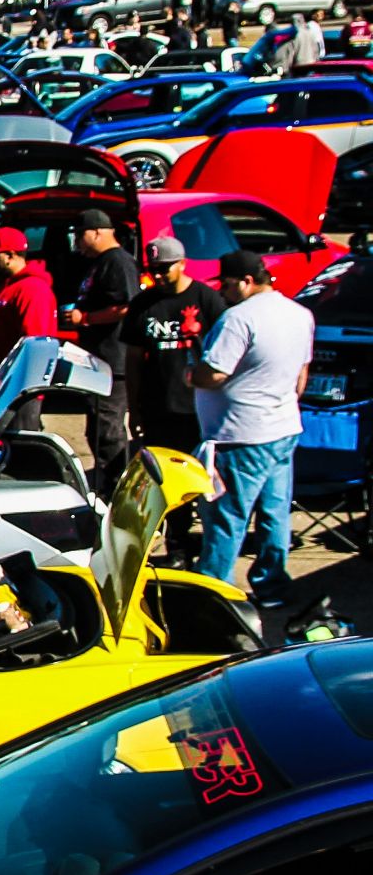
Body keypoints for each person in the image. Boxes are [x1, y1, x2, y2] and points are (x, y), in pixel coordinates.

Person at [190, 251, 314, 607]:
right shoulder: (299, 314)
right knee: (275, 513)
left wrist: (190, 374)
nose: (223, 292)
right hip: (283, 427)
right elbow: (300, 377)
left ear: (245, 281)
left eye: (227, 284)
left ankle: (215, 593)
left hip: (240, 434)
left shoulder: (238, 319)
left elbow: (214, 373)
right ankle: (272, 585)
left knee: (227, 516)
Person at [121, 236, 225, 561]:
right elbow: (134, 361)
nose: (160, 275)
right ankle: (177, 544)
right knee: (168, 483)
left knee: (206, 482)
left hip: (200, 410)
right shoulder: (143, 304)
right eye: (155, 270)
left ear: (182, 264)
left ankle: (211, 547)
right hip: (159, 408)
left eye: (166, 269)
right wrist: (134, 408)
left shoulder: (207, 300)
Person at [65, 208, 139, 491]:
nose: (77, 243)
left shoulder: (118, 262)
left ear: (96, 232)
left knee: (108, 432)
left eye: (80, 236)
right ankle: (109, 482)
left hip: (113, 363)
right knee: (96, 429)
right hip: (98, 362)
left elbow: (126, 306)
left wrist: (86, 318)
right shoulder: (99, 263)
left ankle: (120, 488)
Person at [0, 227, 57, 426]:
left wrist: (21, 389)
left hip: (18, 392)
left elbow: (35, 345)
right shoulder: (5, 285)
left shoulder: (32, 290)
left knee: (21, 449)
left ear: (10, 256)